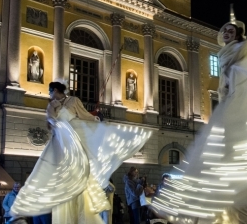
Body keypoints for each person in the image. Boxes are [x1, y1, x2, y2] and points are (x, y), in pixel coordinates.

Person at [10, 81, 150, 223]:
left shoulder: (73, 101)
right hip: (61, 141)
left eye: (50, 91)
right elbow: (50, 121)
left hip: (74, 138)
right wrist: (56, 123)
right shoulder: (51, 106)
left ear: (56, 90)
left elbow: (84, 116)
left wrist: (96, 119)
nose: (49, 94)